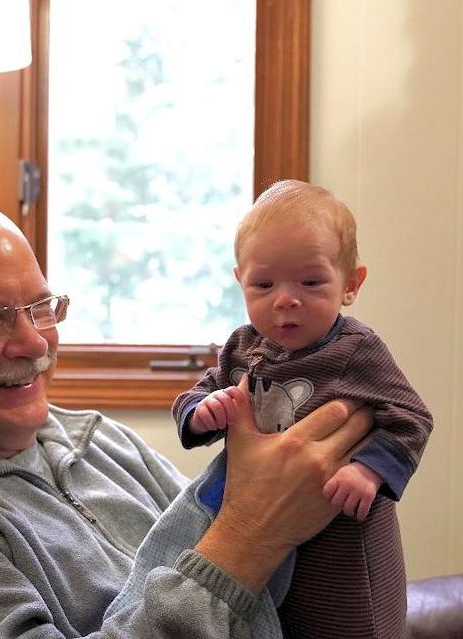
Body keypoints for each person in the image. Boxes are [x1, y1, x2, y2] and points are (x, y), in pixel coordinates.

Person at [0, 195, 373, 638]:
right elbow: (237, 544)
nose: (33, 345)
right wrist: (250, 534)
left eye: (40, 308)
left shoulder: (99, 442)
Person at [135, 180, 430, 636]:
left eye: (310, 282)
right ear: (241, 281)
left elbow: (410, 416)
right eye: (264, 284)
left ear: (351, 283)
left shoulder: (357, 350)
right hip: (264, 540)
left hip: (343, 535)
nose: (285, 299)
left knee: (348, 622)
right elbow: (197, 396)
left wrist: (369, 470)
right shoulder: (242, 347)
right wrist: (204, 410)